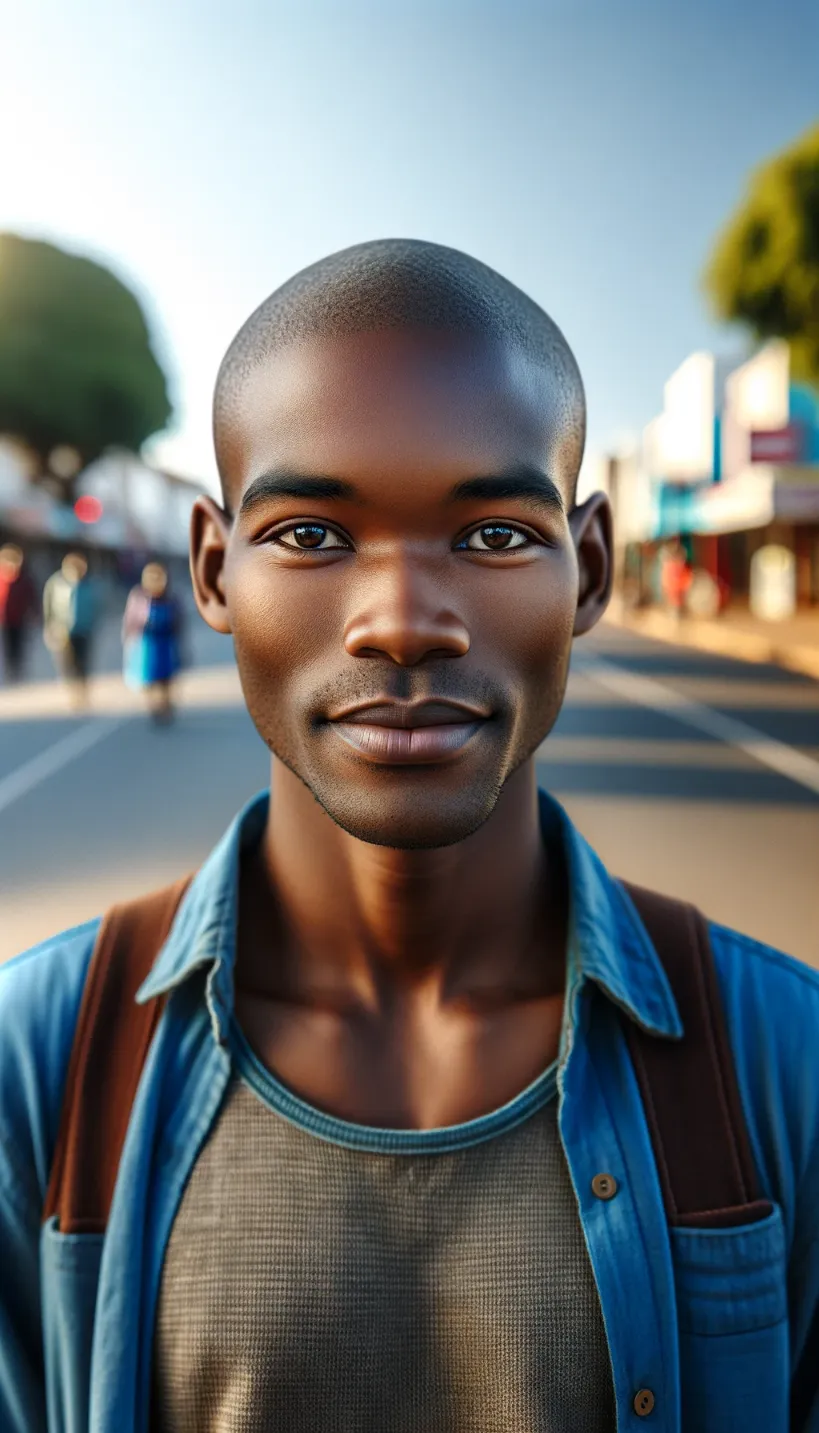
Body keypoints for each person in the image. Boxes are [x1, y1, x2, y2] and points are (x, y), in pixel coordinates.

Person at [1, 240, 817, 1433]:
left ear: (587, 570)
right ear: (210, 570)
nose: (400, 624)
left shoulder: (786, 1063)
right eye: (311, 535)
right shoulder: (38, 1064)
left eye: (492, 535)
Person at [122, 561, 184, 723]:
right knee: (149, 677)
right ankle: (154, 706)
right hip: (147, 644)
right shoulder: (139, 596)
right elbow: (130, 620)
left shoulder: (171, 598)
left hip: (166, 642)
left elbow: (179, 621)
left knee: (166, 678)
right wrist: (129, 640)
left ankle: (166, 704)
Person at [42, 551, 99, 705]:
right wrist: (49, 627)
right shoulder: (56, 583)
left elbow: (97, 607)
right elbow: (48, 606)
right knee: (67, 663)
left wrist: (93, 625)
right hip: (63, 631)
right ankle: (72, 690)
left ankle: (82, 690)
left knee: (83, 662)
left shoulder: (89, 585)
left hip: (83, 630)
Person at [0, 543, 38, 682]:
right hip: (5, 619)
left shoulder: (24, 579)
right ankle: (10, 667)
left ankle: (17, 667)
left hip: (19, 618)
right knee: (7, 644)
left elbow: (31, 597)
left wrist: (34, 613)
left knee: (18, 643)